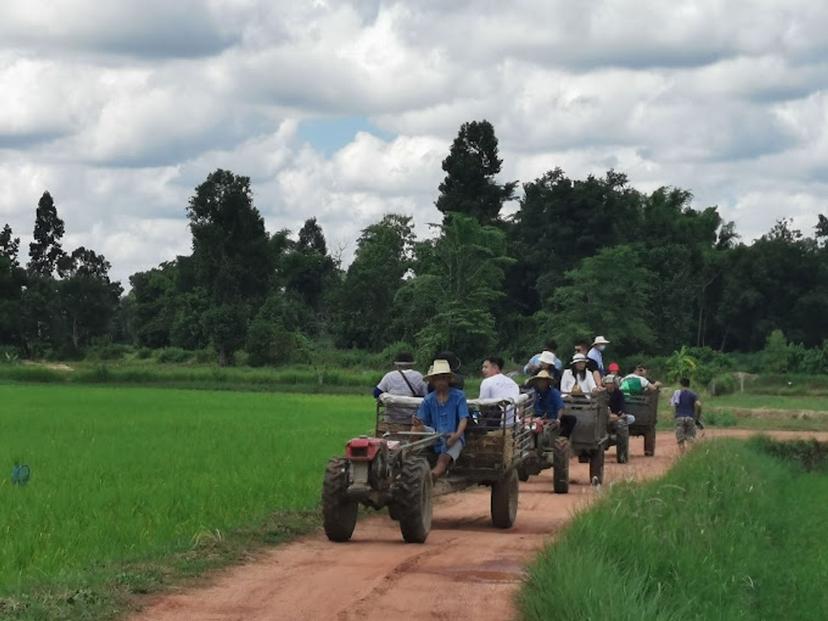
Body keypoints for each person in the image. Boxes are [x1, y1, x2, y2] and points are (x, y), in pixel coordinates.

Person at [413, 359, 470, 479]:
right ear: (433, 381)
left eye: (444, 378)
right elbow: (421, 420)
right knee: (416, 427)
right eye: (437, 378)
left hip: (453, 435)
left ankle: (431, 476)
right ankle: (410, 454)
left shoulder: (458, 396)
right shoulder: (429, 399)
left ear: (449, 380)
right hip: (435, 434)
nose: (441, 382)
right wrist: (418, 423)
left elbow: (463, 418)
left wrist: (456, 435)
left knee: (443, 459)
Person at [374, 351, 427, 423]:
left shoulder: (389, 376)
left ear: (397, 364)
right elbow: (426, 396)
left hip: (391, 418)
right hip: (412, 420)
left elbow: (376, 393)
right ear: (412, 364)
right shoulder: (419, 376)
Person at [525, 369, 576, 437]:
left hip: (552, 417)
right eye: (540, 381)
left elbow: (560, 407)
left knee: (571, 419)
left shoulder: (554, 393)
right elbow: (525, 404)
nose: (542, 383)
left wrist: (557, 419)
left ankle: (562, 437)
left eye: (544, 381)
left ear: (547, 382)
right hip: (536, 417)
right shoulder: (533, 393)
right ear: (536, 382)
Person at [479, 355, 520, 425]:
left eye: (486, 367)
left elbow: (482, 404)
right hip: (513, 421)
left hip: (496, 423)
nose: (483, 370)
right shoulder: (512, 382)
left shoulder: (487, 382)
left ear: (496, 368)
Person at [671, 377, 701, 453]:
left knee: (680, 440)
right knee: (690, 438)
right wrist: (697, 416)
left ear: (681, 384)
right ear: (689, 385)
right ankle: (689, 456)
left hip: (680, 418)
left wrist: (675, 415)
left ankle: (682, 455)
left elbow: (674, 406)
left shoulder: (677, 394)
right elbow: (698, 404)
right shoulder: (693, 394)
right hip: (690, 418)